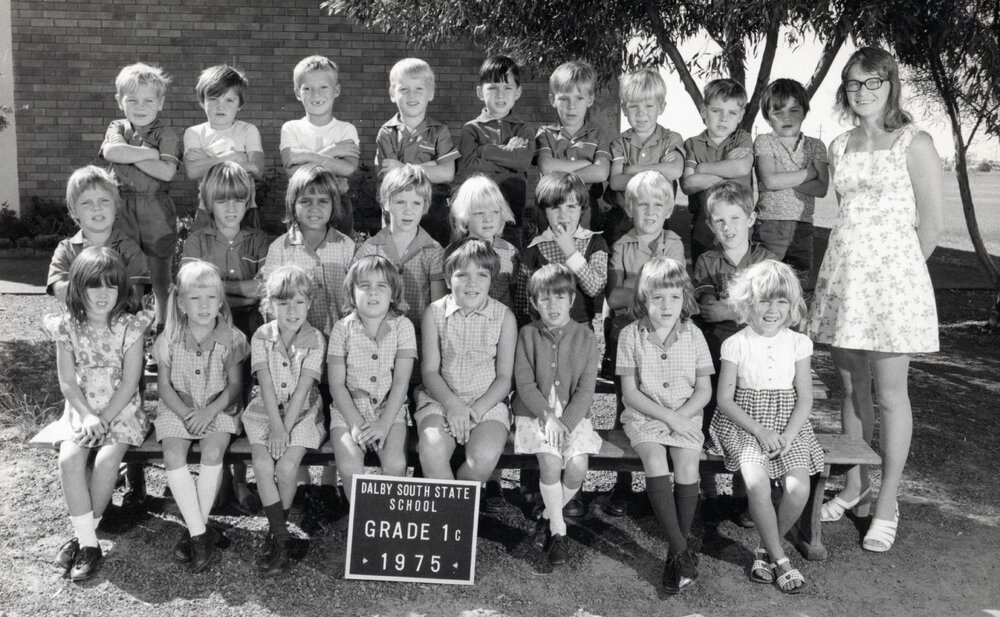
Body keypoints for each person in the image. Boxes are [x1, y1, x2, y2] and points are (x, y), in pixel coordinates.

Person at [808, 47, 943, 553]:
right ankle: (855, 486)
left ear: (890, 85)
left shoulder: (915, 142)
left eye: (872, 82)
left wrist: (898, 278)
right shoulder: (839, 145)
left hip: (892, 289)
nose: (862, 92)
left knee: (890, 395)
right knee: (850, 389)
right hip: (844, 281)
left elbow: (931, 226)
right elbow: (850, 214)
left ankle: (887, 501)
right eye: (853, 83)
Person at [709, 260, 824, 594]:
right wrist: (760, 431)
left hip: (789, 424)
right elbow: (725, 400)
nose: (773, 309)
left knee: (798, 488)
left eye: (781, 301)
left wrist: (788, 435)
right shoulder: (736, 344)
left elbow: (805, 399)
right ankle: (781, 559)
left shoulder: (798, 343)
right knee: (757, 483)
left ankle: (763, 550)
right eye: (764, 301)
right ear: (749, 303)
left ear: (792, 305)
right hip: (746, 424)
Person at [46, 166, 151, 524]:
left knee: (125, 411)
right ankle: (92, 512)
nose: (96, 209)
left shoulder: (128, 247)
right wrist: (93, 285)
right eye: (86, 203)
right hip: (84, 354)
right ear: (73, 211)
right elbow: (61, 290)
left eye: (104, 201)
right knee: (80, 441)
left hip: (122, 347)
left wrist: (91, 290)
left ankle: (133, 483)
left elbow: (134, 295)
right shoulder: (66, 249)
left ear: (116, 206)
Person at [43, 247, 152, 582]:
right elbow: (67, 382)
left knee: (106, 461)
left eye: (111, 285)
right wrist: (89, 417)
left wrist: (104, 419)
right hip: (82, 411)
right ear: (78, 288)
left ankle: (84, 539)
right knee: (69, 459)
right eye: (94, 285)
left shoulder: (130, 327)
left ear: (121, 289)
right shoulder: (67, 327)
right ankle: (89, 543)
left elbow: (131, 382)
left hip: (122, 412)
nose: (103, 293)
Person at [616, 257, 712, 594]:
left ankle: (675, 553)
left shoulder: (694, 335)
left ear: (684, 297)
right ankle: (683, 553)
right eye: (658, 298)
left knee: (687, 466)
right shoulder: (630, 335)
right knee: (655, 460)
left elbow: (704, 390)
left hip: (687, 414)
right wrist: (666, 418)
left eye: (674, 297)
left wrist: (678, 418)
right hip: (645, 416)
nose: (667, 305)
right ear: (644, 298)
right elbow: (630, 393)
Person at [260, 165, 356, 503]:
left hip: (337, 347)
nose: (314, 208)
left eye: (323, 201)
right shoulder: (280, 248)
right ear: (292, 205)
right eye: (305, 201)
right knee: (299, 409)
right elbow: (269, 302)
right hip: (295, 352)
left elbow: (355, 299)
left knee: (333, 410)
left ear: (334, 205)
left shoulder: (346, 246)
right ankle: (301, 484)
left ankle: (330, 482)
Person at [181, 161, 270, 513]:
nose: (231, 207)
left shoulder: (259, 240)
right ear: (208, 202)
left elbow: (262, 291)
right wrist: (238, 290)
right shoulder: (197, 240)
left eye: (238, 199)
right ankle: (217, 479)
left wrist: (217, 289)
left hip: (250, 329)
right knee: (215, 396)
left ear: (248, 201)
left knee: (242, 399)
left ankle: (240, 480)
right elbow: (192, 290)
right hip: (208, 333)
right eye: (222, 200)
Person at [152, 260, 249, 573]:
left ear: (220, 302)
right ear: (182, 304)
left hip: (218, 408)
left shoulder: (232, 339)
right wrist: (185, 413)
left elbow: (235, 387)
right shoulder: (170, 338)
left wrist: (208, 412)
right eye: (195, 298)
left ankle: (196, 530)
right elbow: (164, 388)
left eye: (211, 298)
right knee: (172, 455)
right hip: (177, 407)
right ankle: (200, 534)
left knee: (212, 453)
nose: (204, 305)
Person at [693, 180, 776, 525]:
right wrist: (739, 309)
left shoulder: (765, 260)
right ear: (710, 225)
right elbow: (708, 307)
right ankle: (708, 491)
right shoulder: (707, 260)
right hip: (715, 348)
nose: (727, 227)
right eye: (720, 221)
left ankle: (744, 494)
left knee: (748, 416)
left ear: (751, 218)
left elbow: (769, 307)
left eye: (735, 218)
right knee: (708, 412)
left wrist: (730, 309)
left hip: (756, 351)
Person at [603, 171, 685, 517]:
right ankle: (622, 485)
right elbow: (613, 296)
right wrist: (653, 288)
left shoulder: (674, 243)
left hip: (666, 340)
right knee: (627, 408)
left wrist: (634, 287)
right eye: (642, 205)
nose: (650, 212)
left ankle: (668, 480)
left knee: (665, 403)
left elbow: (674, 294)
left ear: (668, 209)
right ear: (629, 208)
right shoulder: (621, 245)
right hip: (627, 338)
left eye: (657, 205)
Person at [512, 264, 601, 566]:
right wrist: (549, 417)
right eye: (545, 298)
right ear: (534, 302)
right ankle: (559, 532)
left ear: (571, 300)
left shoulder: (585, 336)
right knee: (550, 462)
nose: (553, 305)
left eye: (560, 297)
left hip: (573, 415)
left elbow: (586, 389)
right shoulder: (527, 334)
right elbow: (525, 384)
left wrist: (566, 423)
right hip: (535, 413)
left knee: (577, 465)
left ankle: (547, 518)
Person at [244, 265, 328, 576]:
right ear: (269, 305)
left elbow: (304, 387)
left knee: (287, 467)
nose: (292, 310)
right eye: (283, 303)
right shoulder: (260, 336)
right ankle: (280, 537)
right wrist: (276, 427)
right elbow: (265, 384)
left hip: (302, 413)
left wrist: (285, 429)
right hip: (266, 411)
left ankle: (277, 531)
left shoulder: (316, 339)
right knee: (263, 464)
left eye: (299, 302)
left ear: (310, 303)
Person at [415, 239, 517, 488]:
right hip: (441, 401)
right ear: (448, 280)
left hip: (487, 404)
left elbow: (504, 378)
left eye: (482, 275)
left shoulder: (504, 317)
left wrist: (476, 410)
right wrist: (453, 405)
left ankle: (461, 502)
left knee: (483, 457)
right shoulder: (434, 313)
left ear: (491, 280)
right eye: (462, 275)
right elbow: (430, 371)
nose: (473, 283)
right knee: (431, 451)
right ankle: (448, 508)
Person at [99, 62, 179, 337]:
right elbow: (111, 152)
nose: (140, 107)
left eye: (148, 100)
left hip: (156, 208)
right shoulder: (117, 126)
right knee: (125, 270)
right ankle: (129, 329)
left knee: (159, 273)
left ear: (160, 103)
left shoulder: (166, 133)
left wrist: (129, 153)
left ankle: (163, 326)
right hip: (122, 207)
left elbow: (167, 172)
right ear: (119, 101)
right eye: (132, 100)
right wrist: (149, 154)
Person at [328, 256, 416, 499]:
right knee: (349, 466)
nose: (373, 292)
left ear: (393, 293)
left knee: (395, 464)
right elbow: (336, 384)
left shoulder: (403, 327)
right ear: (351, 292)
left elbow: (401, 382)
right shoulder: (342, 329)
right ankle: (359, 515)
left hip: (389, 409)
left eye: (381, 286)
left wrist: (384, 423)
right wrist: (356, 423)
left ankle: (387, 514)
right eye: (365, 285)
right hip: (348, 410)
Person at [353, 164, 447, 347]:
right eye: (400, 202)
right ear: (386, 203)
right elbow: (357, 299)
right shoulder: (369, 249)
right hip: (377, 340)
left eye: (416, 203)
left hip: (420, 340)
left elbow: (438, 308)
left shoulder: (433, 251)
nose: (408, 210)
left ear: (425, 206)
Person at [376, 57, 458, 246]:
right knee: (397, 257)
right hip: (398, 212)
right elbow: (391, 177)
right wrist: (431, 166)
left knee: (435, 256)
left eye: (419, 89)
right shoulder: (387, 132)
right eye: (404, 89)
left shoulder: (440, 131)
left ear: (430, 93)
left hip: (435, 211)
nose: (411, 95)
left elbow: (447, 173)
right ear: (392, 94)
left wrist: (405, 168)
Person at [753, 78, 829, 283]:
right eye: (778, 112)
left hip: (803, 227)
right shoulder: (764, 141)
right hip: (769, 224)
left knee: (798, 284)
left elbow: (821, 188)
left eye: (794, 110)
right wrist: (808, 173)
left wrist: (783, 177)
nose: (786, 117)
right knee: (765, 283)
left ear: (804, 112)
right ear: (767, 117)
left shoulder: (816, 146)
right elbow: (770, 181)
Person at [513, 172, 608, 330]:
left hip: (580, 328)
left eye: (571, 206)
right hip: (543, 329)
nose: (563, 215)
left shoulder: (595, 243)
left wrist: (571, 252)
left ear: (581, 209)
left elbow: (594, 288)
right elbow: (522, 302)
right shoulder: (534, 249)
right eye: (555, 207)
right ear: (545, 211)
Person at [280, 55, 359, 237]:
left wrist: (307, 156)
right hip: (302, 201)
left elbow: (348, 168)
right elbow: (292, 171)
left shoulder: (346, 129)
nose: (316, 94)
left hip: (338, 200)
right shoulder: (291, 128)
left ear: (336, 90)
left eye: (324, 87)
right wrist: (333, 151)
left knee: (341, 247)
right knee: (299, 249)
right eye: (307, 88)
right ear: (297, 92)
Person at [457, 55, 534, 238]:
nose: (500, 95)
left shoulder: (523, 129)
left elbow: (523, 162)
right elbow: (467, 167)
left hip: (512, 214)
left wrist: (484, 151)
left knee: (511, 254)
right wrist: (509, 161)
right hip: (477, 218)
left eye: (507, 87)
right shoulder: (471, 129)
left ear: (518, 92)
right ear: (480, 92)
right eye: (493, 87)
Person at [605, 68, 684, 246]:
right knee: (621, 260)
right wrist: (659, 170)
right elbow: (616, 182)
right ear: (624, 109)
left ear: (661, 107)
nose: (641, 113)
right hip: (623, 219)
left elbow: (674, 170)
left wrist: (630, 169)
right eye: (634, 106)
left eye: (649, 106)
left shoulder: (671, 139)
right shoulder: (619, 143)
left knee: (657, 261)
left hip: (658, 218)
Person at [680, 78, 753, 264]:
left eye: (732, 113)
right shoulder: (692, 144)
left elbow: (742, 167)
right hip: (703, 225)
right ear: (704, 111)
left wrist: (702, 168)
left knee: (740, 274)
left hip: (738, 224)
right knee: (704, 273)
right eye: (716, 111)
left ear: (740, 115)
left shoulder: (742, 138)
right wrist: (728, 168)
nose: (723, 118)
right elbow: (688, 184)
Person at [183, 64, 264, 229]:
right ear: (202, 101)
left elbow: (256, 169)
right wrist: (232, 156)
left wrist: (207, 159)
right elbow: (193, 171)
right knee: (204, 246)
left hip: (244, 208)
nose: (221, 106)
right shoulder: (194, 133)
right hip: (208, 208)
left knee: (247, 245)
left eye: (229, 100)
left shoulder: (248, 130)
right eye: (213, 99)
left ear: (240, 104)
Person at [535, 60, 611, 233]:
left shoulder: (598, 135)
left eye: (579, 98)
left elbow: (601, 172)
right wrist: (586, 164)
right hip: (551, 210)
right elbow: (546, 166)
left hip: (587, 212)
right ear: (552, 99)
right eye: (564, 99)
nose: (572, 106)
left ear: (590, 99)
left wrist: (560, 174)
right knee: (551, 249)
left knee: (585, 250)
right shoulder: (545, 133)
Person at [448, 175, 517, 310]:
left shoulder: (511, 252)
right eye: (480, 213)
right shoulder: (454, 252)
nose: (488, 219)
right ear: (465, 216)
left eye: (495, 212)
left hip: (500, 319)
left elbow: (517, 295)